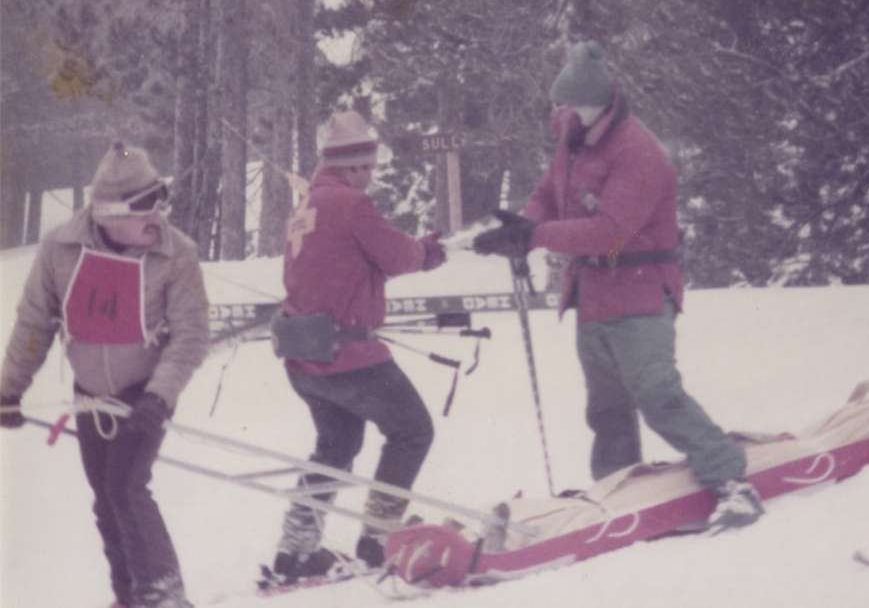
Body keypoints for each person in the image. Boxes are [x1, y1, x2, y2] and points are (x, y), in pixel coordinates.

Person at [473, 40, 763, 530]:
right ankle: (618, 488)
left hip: (642, 291)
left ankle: (733, 482)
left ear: (597, 104)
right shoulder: (572, 136)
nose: (562, 112)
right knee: (606, 406)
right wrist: (521, 225)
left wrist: (535, 236)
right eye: (560, 104)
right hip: (594, 294)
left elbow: (610, 229)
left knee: (658, 395)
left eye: (570, 104)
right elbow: (549, 193)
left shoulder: (638, 152)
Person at [0, 142, 210, 608]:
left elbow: (191, 334)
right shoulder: (60, 248)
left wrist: (159, 396)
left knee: (127, 488)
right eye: (145, 207)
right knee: (105, 498)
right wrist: (9, 389)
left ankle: (165, 596)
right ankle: (129, 595)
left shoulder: (176, 254)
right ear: (110, 213)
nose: (157, 215)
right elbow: (36, 322)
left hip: (145, 391)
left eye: (160, 200)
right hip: (90, 395)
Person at [269, 110, 447, 579]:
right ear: (342, 166)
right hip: (349, 355)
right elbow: (397, 253)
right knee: (412, 431)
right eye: (361, 166)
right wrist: (427, 252)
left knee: (336, 445)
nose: (368, 175)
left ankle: (296, 548)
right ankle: (378, 537)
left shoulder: (307, 205)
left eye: (371, 165)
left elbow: (350, 260)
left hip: (305, 358)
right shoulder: (351, 205)